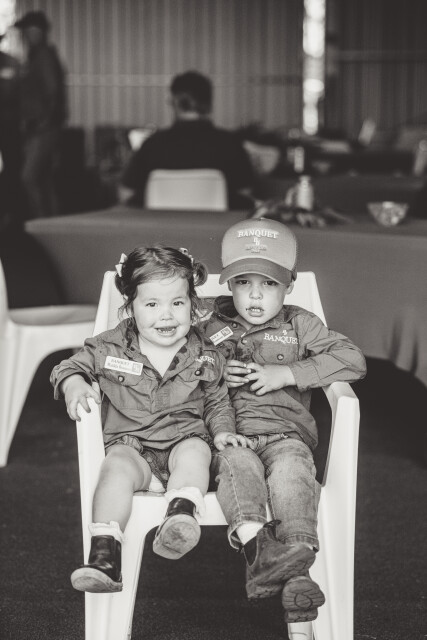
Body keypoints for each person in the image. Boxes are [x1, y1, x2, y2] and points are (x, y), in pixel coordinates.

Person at [50, 246, 247, 593]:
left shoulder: (206, 353)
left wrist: (223, 432)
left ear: (193, 304)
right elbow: (68, 366)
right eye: (152, 304)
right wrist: (74, 384)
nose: (166, 316)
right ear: (130, 307)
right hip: (133, 449)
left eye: (177, 303)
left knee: (196, 451)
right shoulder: (108, 347)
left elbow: (218, 402)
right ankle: (105, 555)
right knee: (115, 467)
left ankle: (180, 513)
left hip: (183, 443)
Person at [202, 219, 367, 626]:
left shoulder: (300, 324)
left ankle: (295, 567)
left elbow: (353, 361)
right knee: (239, 468)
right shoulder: (207, 322)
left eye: (269, 283)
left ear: (289, 285)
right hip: (231, 438)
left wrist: (289, 373)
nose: (255, 294)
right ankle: (280, 567)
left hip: (286, 436)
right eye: (243, 282)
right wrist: (216, 369)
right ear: (229, 283)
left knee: (294, 473)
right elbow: (175, 362)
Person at [120, 70, 253, 209]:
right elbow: (246, 193)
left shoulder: (152, 145)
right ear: (208, 102)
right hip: (217, 222)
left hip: (161, 222)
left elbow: (126, 194)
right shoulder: (230, 144)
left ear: (174, 100)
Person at [14, 10, 67, 219]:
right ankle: (52, 226)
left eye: (28, 31)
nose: (24, 36)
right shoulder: (36, 57)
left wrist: (42, 124)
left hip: (43, 130)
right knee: (44, 180)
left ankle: (40, 222)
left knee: (29, 177)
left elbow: (53, 92)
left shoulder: (44, 56)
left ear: (37, 32)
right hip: (41, 128)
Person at [0, 34, 21, 229]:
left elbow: (18, 92)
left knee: (12, 169)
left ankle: (10, 213)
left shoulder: (11, 63)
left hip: (8, 124)